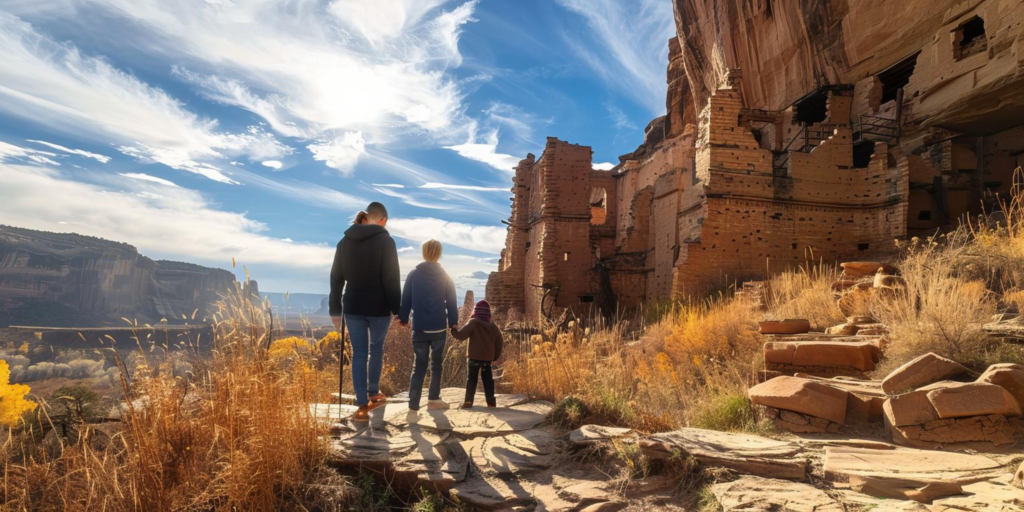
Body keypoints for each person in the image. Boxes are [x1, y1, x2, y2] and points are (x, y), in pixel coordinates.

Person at [329, 202, 401, 423]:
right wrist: (398, 310)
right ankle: (373, 392)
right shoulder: (386, 242)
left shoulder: (344, 242)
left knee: (359, 354)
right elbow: (391, 279)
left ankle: (362, 403)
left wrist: (335, 309)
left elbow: (336, 278)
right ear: (383, 220)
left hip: (353, 307)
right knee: (376, 349)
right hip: (379, 308)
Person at [398, 240, 459, 416]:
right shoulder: (445, 276)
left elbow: (406, 299)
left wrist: (403, 318)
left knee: (419, 366)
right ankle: (433, 399)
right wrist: (453, 322)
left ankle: (413, 405)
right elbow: (452, 301)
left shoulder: (413, 275)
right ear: (439, 253)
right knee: (436, 364)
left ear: (424, 253)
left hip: (419, 328)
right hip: (438, 327)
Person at [450, 300, 503, 408]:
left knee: (472, 379)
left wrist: (454, 330)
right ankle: (491, 402)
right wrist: (494, 357)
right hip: (487, 359)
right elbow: (500, 342)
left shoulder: (473, 322)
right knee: (488, 380)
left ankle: (469, 401)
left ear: (476, 311)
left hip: (473, 357)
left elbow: (461, 335)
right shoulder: (493, 326)